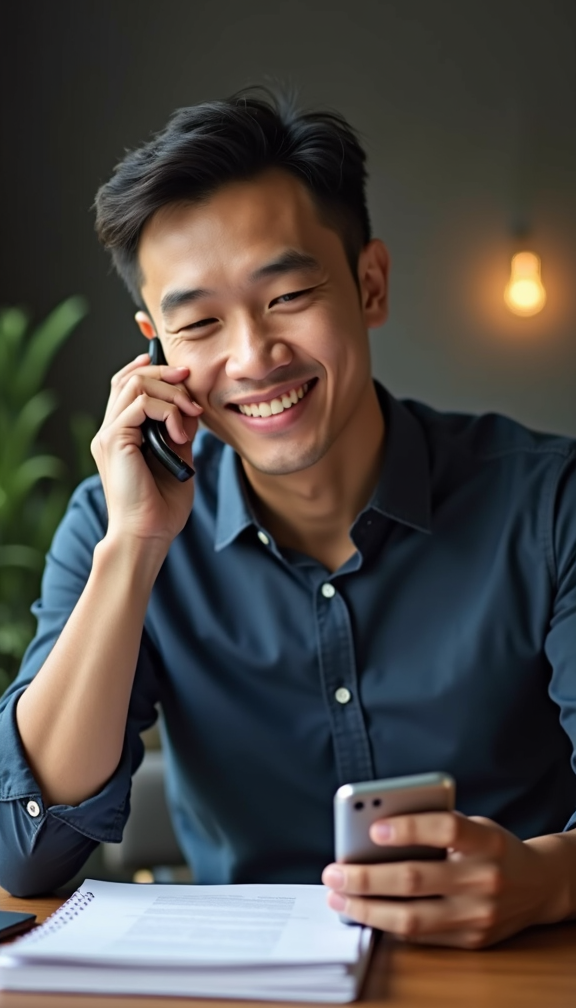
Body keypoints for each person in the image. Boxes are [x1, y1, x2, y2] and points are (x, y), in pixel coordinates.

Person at [0, 89, 575, 950]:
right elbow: (28, 853)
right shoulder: (114, 524)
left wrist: (550, 879)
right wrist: (135, 549)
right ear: (155, 348)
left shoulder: (549, 502)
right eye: (198, 323)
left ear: (369, 283)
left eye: (289, 294)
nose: (253, 357)